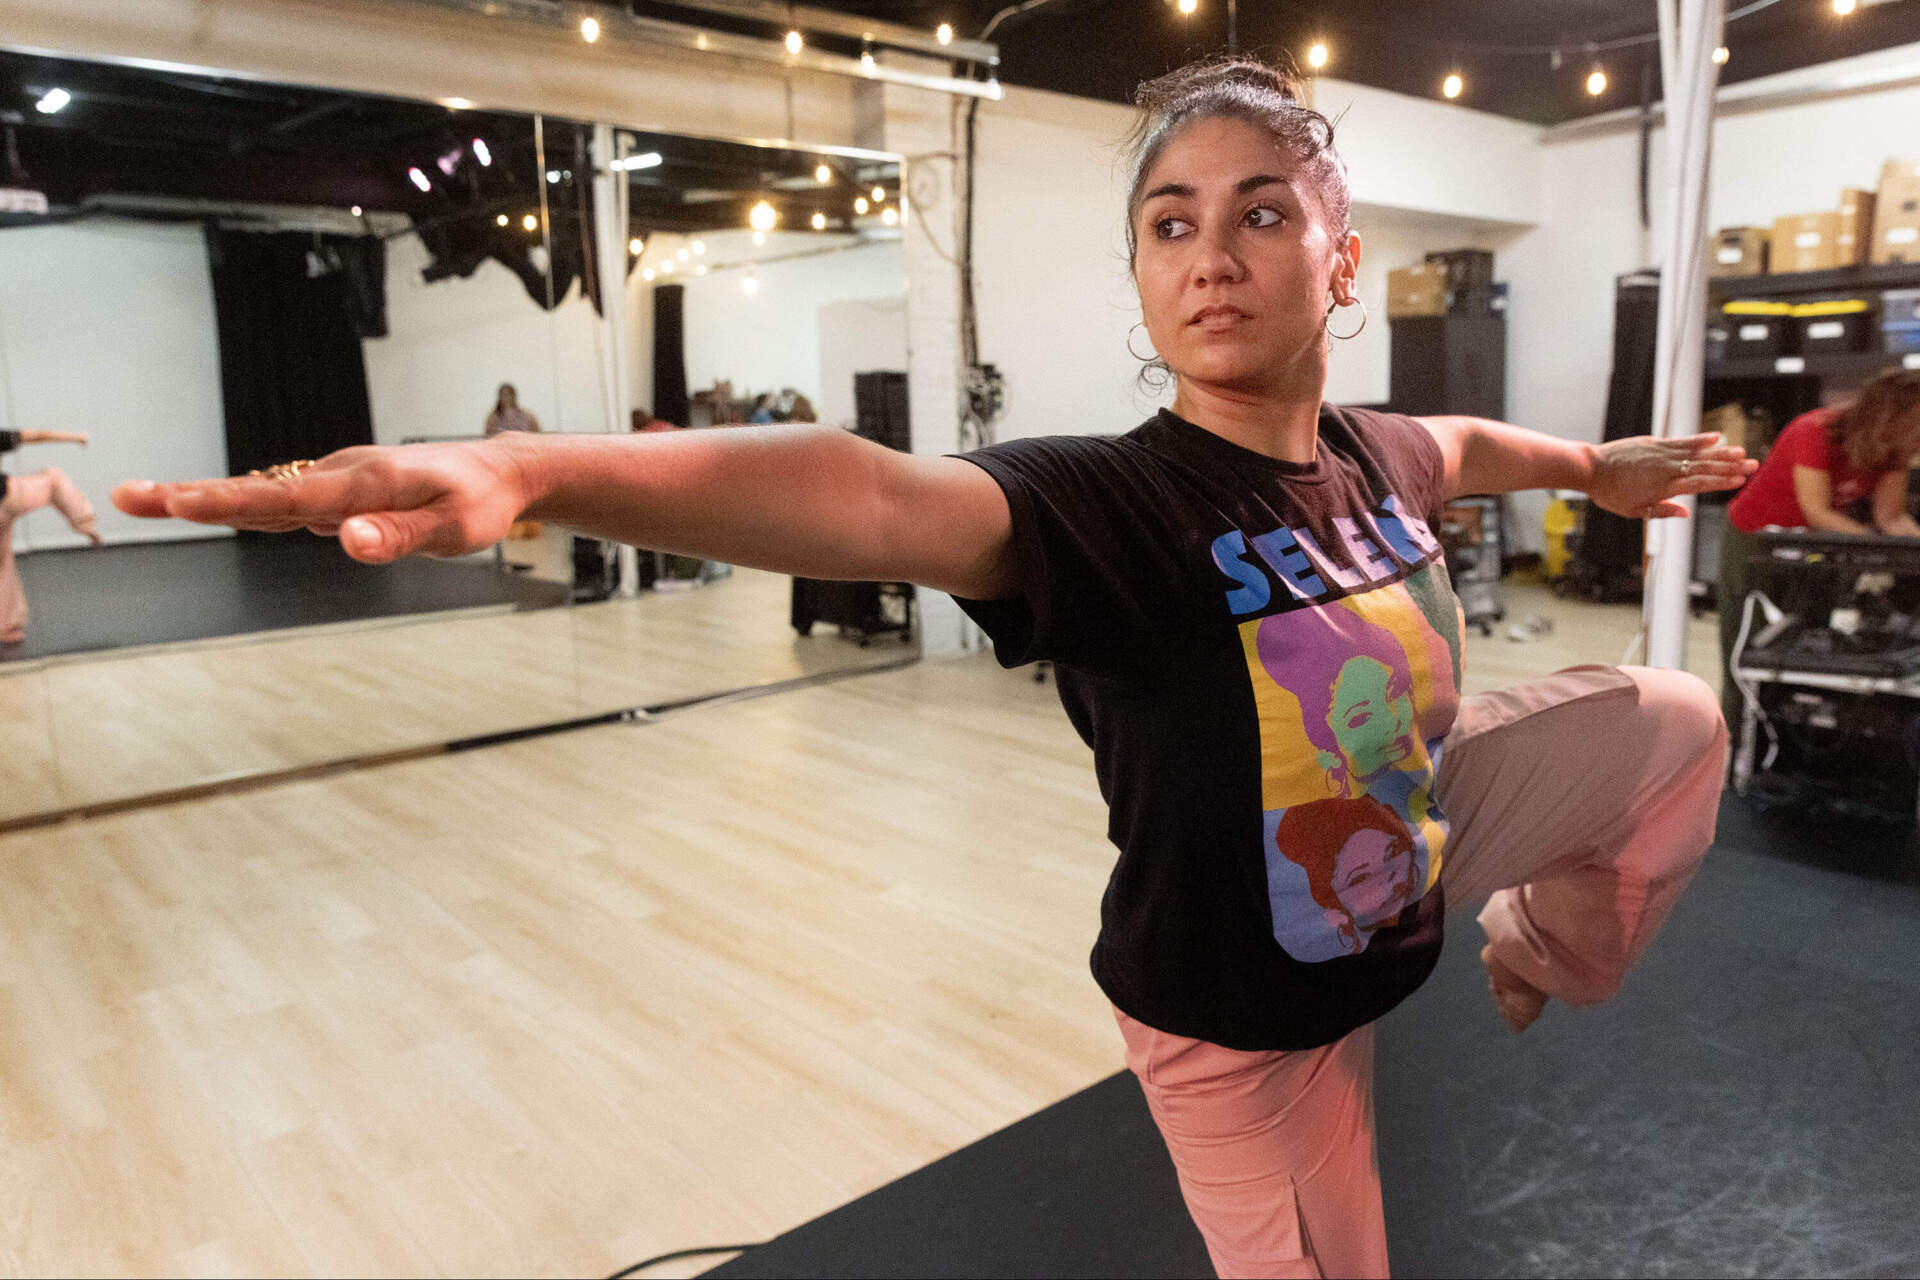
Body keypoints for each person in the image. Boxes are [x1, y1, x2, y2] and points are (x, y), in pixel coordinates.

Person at [113, 56, 1754, 1278]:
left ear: (1338, 260)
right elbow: (874, 494)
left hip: (1419, 827)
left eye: (1265, 214)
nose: (1212, 251)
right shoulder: (1113, 501)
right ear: (1139, 280)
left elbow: (1460, 441)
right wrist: (548, 476)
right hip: (1251, 1017)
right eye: (1170, 224)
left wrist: (1589, 469)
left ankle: (1542, 943)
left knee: (1677, 723)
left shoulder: (1375, 454)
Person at [1717, 368, 1920, 725]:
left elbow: (1891, 518)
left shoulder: (1894, 450)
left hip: (1815, 547)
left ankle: (1789, 747)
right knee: (1746, 650)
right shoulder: (1816, 430)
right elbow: (1817, 511)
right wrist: (1876, 548)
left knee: (1811, 650)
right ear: (1893, 415)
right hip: (1755, 541)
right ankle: (1734, 749)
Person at [1, 428, 102, 654]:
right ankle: (84, 523)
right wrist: (77, 436)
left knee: (3, 565)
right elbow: (38, 435)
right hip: (8, 501)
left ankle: (8, 628)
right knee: (53, 478)